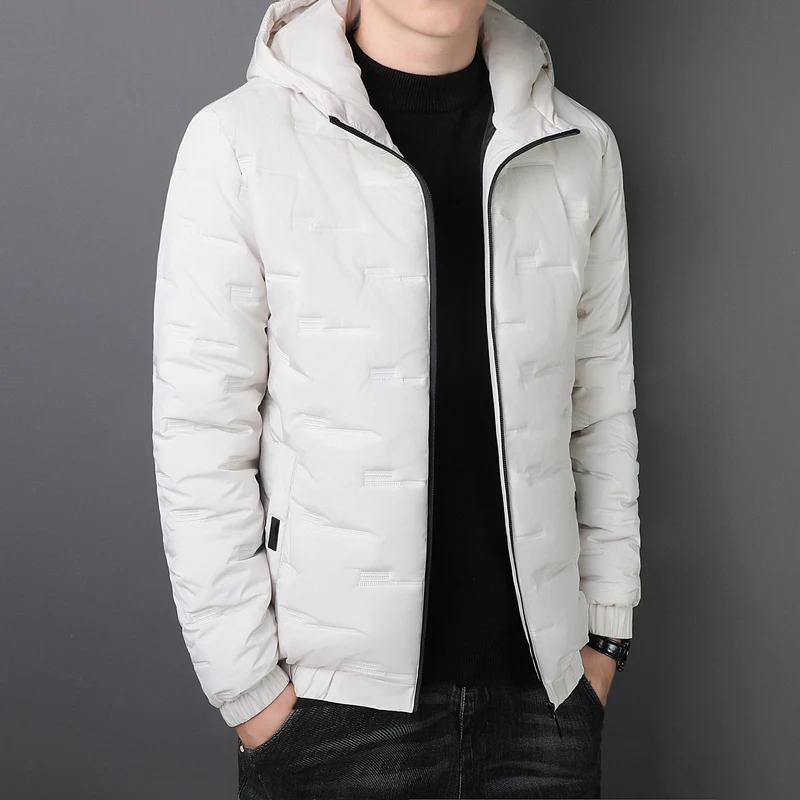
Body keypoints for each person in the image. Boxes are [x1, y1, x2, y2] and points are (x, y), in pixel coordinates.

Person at [151, 0, 641, 796]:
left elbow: (602, 410)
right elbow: (199, 436)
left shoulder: (580, 146)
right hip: (330, 718)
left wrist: (605, 637)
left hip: (544, 709)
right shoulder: (240, 142)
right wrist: (253, 695)